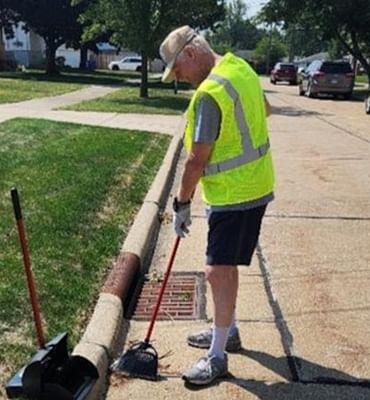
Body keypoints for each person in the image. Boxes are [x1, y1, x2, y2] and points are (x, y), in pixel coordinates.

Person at [159, 26, 275, 386]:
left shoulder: (210, 94)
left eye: (178, 70)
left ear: (190, 55)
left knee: (216, 271)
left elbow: (196, 160)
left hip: (234, 193)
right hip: (255, 185)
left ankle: (217, 356)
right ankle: (228, 330)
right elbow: (266, 109)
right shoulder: (239, 68)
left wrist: (181, 204)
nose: (179, 79)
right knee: (226, 268)